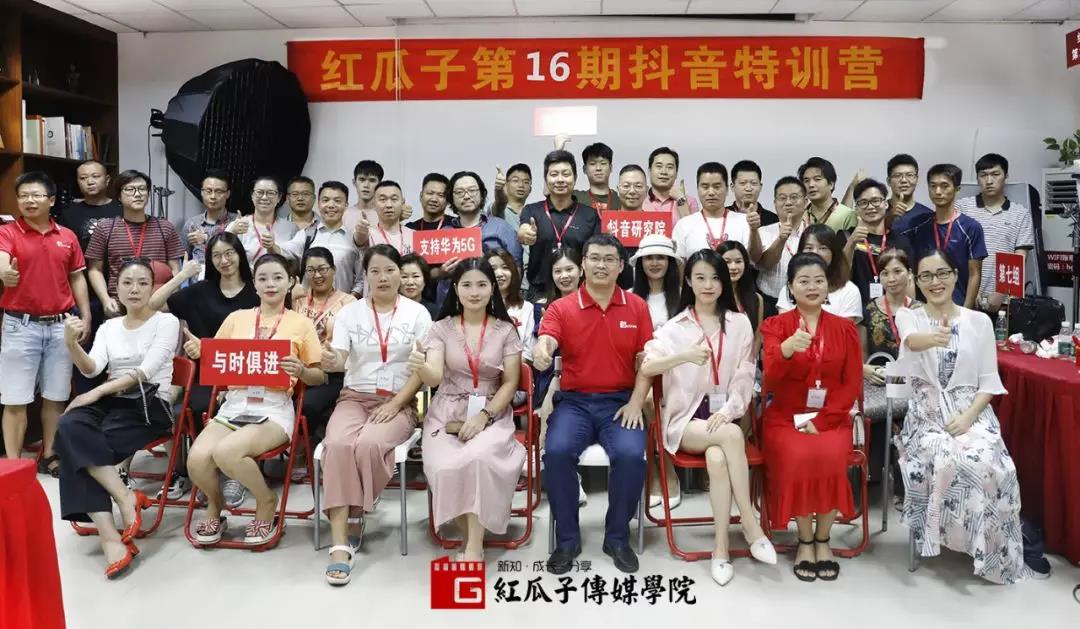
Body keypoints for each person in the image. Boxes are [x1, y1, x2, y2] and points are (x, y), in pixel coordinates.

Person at [640, 249, 777, 586]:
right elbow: (648, 365)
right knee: (731, 436)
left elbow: (745, 375)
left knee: (718, 458)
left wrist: (728, 411)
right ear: (688, 281)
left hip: (724, 414)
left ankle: (720, 549)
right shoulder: (674, 327)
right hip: (686, 420)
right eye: (700, 277)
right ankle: (750, 523)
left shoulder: (739, 324)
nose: (709, 285)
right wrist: (683, 356)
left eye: (715, 278)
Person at [896, 249, 1028, 583]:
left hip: (973, 411)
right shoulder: (909, 316)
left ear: (956, 275)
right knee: (948, 457)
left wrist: (969, 417)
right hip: (926, 415)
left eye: (942, 273)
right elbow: (911, 341)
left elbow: (989, 382)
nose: (935, 282)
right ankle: (951, 537)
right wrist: (934, 337)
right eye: (926, 276)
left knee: (991, 463)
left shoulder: (979, 322)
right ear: (917, 281)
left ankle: (990, 550)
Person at [534, 233, 654, 575]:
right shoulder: (562, 307)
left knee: (630, 456)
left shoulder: (637, 307)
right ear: (583, 264)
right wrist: (543, 350)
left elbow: (647, 361)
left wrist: (636, 402)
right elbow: (547, 339)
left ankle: (617, 537)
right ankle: (567, 540)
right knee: (557, 453)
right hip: (574, 403)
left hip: (621, 402)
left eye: (609, 259)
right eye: (595, 258)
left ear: (621, 266)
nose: (602, 265)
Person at [187, 253, 324, 547]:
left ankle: (266, 501)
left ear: (291, 282)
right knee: (196, 459)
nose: (270, 284)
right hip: (235, 404)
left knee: (227, 452)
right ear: (254, 284)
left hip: (274, 408)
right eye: (263, 278)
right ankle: (215, 505)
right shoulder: (236, 319)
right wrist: (200, 352)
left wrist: (301, 371)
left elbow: (319, 376)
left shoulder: (301, 324)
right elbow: (215, 359)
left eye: (278, 277)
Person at [53, 259, 179, 578]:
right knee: (69, 426)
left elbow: (146, 371)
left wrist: (94, 393)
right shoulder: (109, 327)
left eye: (142, 283)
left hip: (149, 405)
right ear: (116, 289)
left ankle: (111, 538)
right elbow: (92, 368)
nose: (134, 289)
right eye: (127, 283)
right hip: (113, 402)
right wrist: (71, 344)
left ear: (152, 288)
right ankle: (124, 498)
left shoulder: (166, 322)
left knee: (77, 449)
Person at [319, 244, 431, 586]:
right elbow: (339, 359)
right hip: (354, 397)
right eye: (375, 271)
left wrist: (397, 404)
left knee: (369, 444)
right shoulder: (349, 313)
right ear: (365, 276)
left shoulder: (418, 314)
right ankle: (340, 543)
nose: (382, 277)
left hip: (400, 399)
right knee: (337, 445)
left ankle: (355, 510)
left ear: (401, 273)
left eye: (389, 270)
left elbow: (422, 370)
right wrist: (331, 360)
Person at [411, 257, 525, 562]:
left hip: (491, 410)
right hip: (446, 409)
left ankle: (473, 547)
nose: (474, 292)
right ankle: (471, 536)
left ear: (492, 288)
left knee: (479, 458)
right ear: (455, 288)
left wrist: (484, 417)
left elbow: (510, 383)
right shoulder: (440, 329)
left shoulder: (506, 330)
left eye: (482, 285)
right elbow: (434, 377)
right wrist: (421, 367)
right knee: (445, 466)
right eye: (467, 285)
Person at [760, 252, 861, 582]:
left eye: (819, 280)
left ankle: (823, 539)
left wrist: (825, 419)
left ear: (828, 285)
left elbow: (852, 383)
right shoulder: (776, 326)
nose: (812, 287)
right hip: (786, 417)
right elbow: (770, 379)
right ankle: (805, 540)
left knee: (831, 456)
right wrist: (787, 349)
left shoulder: (845, 329)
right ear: (790, 287)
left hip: (831, 416)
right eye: (803, 281)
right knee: (799, 455)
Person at [149, 232, 258, 503]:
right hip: (206, 372)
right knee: (199, 407)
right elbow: (152, 304)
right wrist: (182, 275)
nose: (224, 260)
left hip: (245, 371)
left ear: (240, 255)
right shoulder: (200, 291)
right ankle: (206, 471)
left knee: (243, 408)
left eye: (229, 253)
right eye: (217, 255)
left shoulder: (256, 291)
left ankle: (235, 472)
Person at [0, 172, 91, 476]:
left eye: (36, 195)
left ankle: (49, 455)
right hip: (20, 325)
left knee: (56, 396)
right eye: (23, 195)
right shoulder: (7, 232)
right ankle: (14, 464)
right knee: (15, 399)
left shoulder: (67, 236)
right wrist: (5, 274)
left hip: (60, 325)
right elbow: (2, 260)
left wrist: (85, 315)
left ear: (51, 200)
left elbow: (77, 277)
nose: (29, 200)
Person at [85, 169, 184, 317]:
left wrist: (168, 299)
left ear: (148, 194)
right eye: (130, 189)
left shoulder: (165, 227)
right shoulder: (105, 228)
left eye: (142, 189)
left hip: (158, 307)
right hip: (119, 307)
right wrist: (105, 300)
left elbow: (175, 269)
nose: (137, 194)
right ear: (119, 196)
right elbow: (95, 270)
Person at [956, 153, 1035, 313]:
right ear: (977, 178)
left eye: (995, 174)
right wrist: (972, 290)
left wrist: (1001, 292)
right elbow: (955, 253)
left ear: (1005, 176)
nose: (989, 181)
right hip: (965, 296)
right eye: (983, 175)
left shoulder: (1020, 213)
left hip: (1004, 301)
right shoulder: (962, 207)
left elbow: (1020, 257)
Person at [899, 164, 987, 308]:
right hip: (923, 306)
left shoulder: (970, 228)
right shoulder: (917, 225)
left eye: (944, 186)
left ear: (957, 188)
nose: (938, 191)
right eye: (933, 186)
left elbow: (975, 274)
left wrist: (966, 312)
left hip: (957, 305)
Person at [518, 151, 601, 301]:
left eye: (566, 174)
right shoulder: (532, 211)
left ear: (575, 177)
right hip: (540, 295)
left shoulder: (590, 215)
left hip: (579, 294)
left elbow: (596, 254)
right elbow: (524, 231)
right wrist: (525, 235)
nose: (560, 179)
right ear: (546, 179)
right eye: (554, 174)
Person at [295, 247, 356, 439]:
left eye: (322, 269)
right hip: (297, 369)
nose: (317, 275)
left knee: (307, 406)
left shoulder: (349, 302)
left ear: (334, 270)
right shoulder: (298, 299)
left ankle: (306, 446)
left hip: (331, 373)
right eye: (311, 270)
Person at [280, 180, 364, 296]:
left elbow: (361, 280)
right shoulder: (306, 235)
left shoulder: (355, 239)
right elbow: (282, 252)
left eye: (337, 201)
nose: (331, 205)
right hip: (308, 304)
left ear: (346, 205)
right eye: (325, 200)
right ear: (318, 203)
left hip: (343, 305)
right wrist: (270, 245)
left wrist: (348, 301)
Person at [843, 178, 915, 306]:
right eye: (863, 203)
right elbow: (840, 276)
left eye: (876, 201)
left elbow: (909, 281)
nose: (870, 207)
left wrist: (909, 311)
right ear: (857, 208)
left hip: (895, 311)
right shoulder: (846, 236)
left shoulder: (901, 241)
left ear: (886, 204)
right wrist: (851, 243)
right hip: (856, 310)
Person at [777, 225, 862, 322]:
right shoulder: (790, 288)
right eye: (809, 248)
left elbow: (844, 329)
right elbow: (783, 325)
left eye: (823, 248)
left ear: (834, 253)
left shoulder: (849, 290)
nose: (815, 253)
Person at [753, 176, 809, 317]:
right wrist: (781, 239)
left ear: (805, 202)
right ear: (775, 203)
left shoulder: (813, 233)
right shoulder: (763, 232)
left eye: (794, 197)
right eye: (782, 198)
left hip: (806, 302)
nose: (788, 202)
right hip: (769, 301)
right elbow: (764, 265)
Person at [672, 162, 750, 258]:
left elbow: (752, 259)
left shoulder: (744, 222)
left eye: (717, 187)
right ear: (698, 189)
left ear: (727, 189)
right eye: (705, 187)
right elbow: (679, 263)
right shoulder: (684, 225)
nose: (711, 192)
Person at [448, 171, 522, 264]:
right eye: (459, 192)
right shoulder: (445, 233)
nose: (466, 196)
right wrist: (442, 271)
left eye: (472, 190)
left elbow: (517, 266)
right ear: (451, 198)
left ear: (482, 194)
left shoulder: (501, 228)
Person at [226, 175, 299, 268]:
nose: (264, 197)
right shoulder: (237, 225)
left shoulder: (291, 228)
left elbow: (295, 262)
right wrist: (232, 233)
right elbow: (220, 252)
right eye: (259, 192)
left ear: (279, 197)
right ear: (252, 195)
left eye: (271, 193)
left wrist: (273, 247)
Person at [58, 159, 121, 253]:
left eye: (95, 176)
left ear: (107, 180)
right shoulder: (68, 214)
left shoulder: (122, 210)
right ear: (78, 182)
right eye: (83, 178)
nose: (90, 182)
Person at [487, 248, 535, 361]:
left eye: (505, 267)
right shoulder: (477, 307)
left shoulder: (527, 308)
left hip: (516, 368)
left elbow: (528, 353)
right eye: (493, 269)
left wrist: (508, 366)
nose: (499, 274)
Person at [181, 170, 237, 267]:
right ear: (202, 192)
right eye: (208, 191)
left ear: (228, 194)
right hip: (199, 275)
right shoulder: (192, 224)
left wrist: (205, 238)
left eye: (219, 192)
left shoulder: (237, 222)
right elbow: (185, 257)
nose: (213, 196)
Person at [629, 234, 681, 329]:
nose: (655, 263)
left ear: (669, 262)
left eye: (660, 257)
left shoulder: (683, 295)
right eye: (649, 258)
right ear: (641, 262)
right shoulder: (628, 297)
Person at [717, 240, 763, 334]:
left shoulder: (756, 299)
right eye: (727, 262)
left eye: (738, 261)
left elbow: (757, 336)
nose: (733, 267)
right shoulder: (711, 297)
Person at [799, 157, 857, 232]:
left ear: (831, 184)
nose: (811, 185)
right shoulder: (799, 216)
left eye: (817, 179)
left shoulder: (848, 215)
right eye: (806, 181)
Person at [644, 146, 698, 224]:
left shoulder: (689, 202)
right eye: (659, 166)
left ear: (676, 173)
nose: (664, 172)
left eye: (669, 167)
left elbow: (692, 230)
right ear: (649, 171)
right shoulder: (639, 201)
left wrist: (681, 201)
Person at [883, 154, 932, 234]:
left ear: (916, 179)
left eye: (909, 175)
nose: (904, 180)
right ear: (889, 181)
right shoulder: (877, 211)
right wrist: (889, 217)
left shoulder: (928, 215)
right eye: (898, 175)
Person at [366, 180, 415, 256]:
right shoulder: (367, 235)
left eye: (394, 199)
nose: (389, 205)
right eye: (383, 199)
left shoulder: (414, 235)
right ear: (374, 204)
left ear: (402, 202)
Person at [728, 160, 778, 226]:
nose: (748, 188)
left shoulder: (773, 220)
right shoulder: (720, 216)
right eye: (743, 183)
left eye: (754, 183)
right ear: (732, 187)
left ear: (760, 187)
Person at [573, 142, 621, 211]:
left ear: (610, 168)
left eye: (603, 163)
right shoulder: (575, 198)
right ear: (584, 169)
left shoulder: (621, 199)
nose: (598, 168)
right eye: (593, 164)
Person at [343, 159, 384, 234]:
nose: (366, 185)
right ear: (354, 182)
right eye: (362, 179)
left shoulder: (385, 214)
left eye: (372, 180)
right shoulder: (344, 214)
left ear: (379, 184)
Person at [491, 163, 532, 232]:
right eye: (515, 180)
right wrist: (499, 189)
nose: (521, 185)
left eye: (526, 182)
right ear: (506, 185)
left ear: (530, 189)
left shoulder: (533, 213)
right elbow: (499, 204)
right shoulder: (502, 210)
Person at [400, 253, 439, 320]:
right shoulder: (389, 310)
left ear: (425, 280)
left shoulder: (434, 311)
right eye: (404, 277)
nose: (410, 282)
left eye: (416, 276)